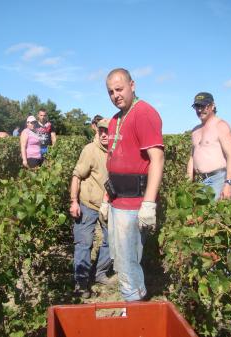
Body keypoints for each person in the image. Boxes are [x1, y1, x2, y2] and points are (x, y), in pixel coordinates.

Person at [99, 68, 164, 302]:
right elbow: (113, 164)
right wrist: (107, 200)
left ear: (132, 85)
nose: (115, 95)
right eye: (110, 92)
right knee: (119, 259)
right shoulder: (115, 120)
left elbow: (157, 159)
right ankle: (131, 302)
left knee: (128, 261)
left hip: (133, 204)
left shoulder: (144, 113)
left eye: (119, 89)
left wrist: (148, 204)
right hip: (117, 201)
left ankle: (135, 311)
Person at [70, 119, 113, 299]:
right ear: (97, 131)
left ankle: (100, 273)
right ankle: (81, 282)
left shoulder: (117, 150)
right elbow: (76, 176)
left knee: (111, 240)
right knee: (84, 244)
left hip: (108, 205)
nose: (104, 134)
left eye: (108, 131)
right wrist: (74, 201)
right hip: (87, 205)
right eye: (101, 130)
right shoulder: (90, 150)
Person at [187, 92, 231, 200]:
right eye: (197, 106)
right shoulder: (195, 131)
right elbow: (192, 157)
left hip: (218, 179)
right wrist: (188, 183)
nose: (200, 110)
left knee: (212, 215)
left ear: (212, 106)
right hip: (200, 182)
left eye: (204, 106)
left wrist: (228, 183)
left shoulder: (221, 126)